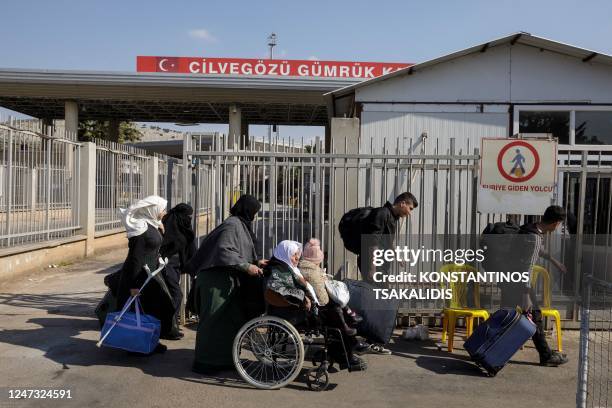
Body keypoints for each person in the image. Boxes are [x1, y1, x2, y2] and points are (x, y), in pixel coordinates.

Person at [184, 195, 267, 375]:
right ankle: (205, 362)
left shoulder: (240, 224)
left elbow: (239, 250)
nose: (255, 215)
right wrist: (246, 266)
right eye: (254, 212)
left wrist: (256, 262)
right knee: (212, 322)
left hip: (226, 281)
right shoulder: (232, 225)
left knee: (229, 322)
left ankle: (225, 360)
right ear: (247, 210)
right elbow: (224, 250)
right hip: (215, 282)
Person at [265, 240, 366, 371]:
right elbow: (279, 289)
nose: (297, 258)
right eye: (293, 254)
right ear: (284, 254)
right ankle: (347, 351)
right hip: (292, 312)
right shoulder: (278, 270)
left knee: (335, 312)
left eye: (298, 254)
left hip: (299, 308)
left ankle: (345, 352)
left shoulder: (288, 268)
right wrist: (303, 297)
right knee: (334, 315)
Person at [350, 192, 418, 355]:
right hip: (373, 264)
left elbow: (388, 241)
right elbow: (372, 242)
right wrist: (372, 268)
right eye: (409, 208)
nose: (409, 213)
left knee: (377, 301)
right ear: (402, 203)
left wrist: (397, 257)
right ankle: (371, 341)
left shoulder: (392, 218)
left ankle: (370, 340)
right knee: (377, 302)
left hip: (379, 266)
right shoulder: (381, 213)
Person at [502, 205, 568, 367]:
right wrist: (525, 294)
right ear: (556, 223)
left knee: (505, 316)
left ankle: (488, 348)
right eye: (559, 224)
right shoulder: (536, 237)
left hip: (508, 278)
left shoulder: (528, 228)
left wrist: (554, 261)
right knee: (534, 316)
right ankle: (545, 356)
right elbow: (528, 265)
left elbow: (536, 251)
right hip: (520, 283)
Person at [116, 195, 175, 354]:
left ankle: (149, 341)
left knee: (155, 310)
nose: (164, 212)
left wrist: (159, 227)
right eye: (162, 209)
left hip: (150, 274)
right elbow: (135, 259)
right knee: (142, 312)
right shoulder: (141, 229)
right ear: (152, 210)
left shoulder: (151, 224)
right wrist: (134, 286)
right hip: (139, 276)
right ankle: (136, 344)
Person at [298, 238, 362, 336]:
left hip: (313, 301)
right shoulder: (311, 272)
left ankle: (349, 317)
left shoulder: (306, 267)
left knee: (336, 298)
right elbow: (322, 298)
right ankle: (346, 325)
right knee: (336, 303)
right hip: (317, 307)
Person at [159, 203, 196, 340]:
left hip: (176, 267)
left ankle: (171, 327)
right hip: (166, 265)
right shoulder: (168, 225)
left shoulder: (183, 226)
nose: (189, 219)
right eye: (187, 216)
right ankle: (167, 328)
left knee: (173, 296)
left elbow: (190, 246)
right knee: (176, 295)